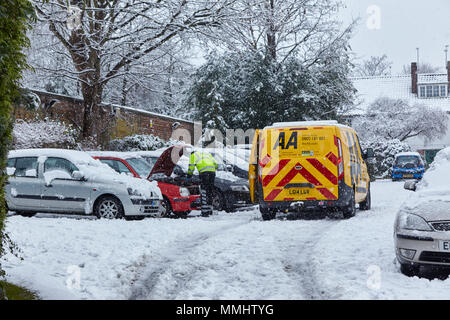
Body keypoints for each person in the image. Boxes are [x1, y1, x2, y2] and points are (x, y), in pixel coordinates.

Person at [187, 147, 218, 217]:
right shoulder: (207, 154)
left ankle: (205, 212)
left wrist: (189, 174)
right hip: (212, 173)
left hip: (204, 174)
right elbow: (216, 165)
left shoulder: (193, 155)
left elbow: (191, 166)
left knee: (204, 191)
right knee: (210, 191)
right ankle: (210, 209)